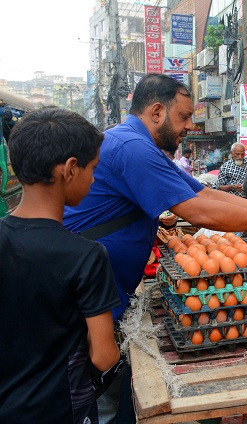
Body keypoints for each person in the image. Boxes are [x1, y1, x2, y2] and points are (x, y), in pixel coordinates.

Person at [63, 74, 247, 422]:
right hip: (84, 300)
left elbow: (206, 194)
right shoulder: (133, 148)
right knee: (95, 402)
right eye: (184, 116)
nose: (189, 125)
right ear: (157, 111)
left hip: (102, 291)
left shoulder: (139, 144)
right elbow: (198, 211)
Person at [0, 107, 120, 422]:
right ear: (69, 169)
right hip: (60, 409)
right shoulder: (86, 256)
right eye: (92, 168)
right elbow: (104, 355)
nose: (94, 179)